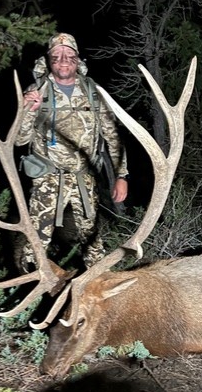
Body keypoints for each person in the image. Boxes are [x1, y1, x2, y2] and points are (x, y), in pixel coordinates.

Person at [15, 32, 129, 271]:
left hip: (83, 177)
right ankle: (32, 284)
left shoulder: (93, 92)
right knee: (36, 241)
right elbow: (19, 139)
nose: (63, 59)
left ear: (77, 59)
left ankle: (98, 284)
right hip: (47, 177)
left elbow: (113, 137)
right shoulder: (36, 91)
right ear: (48, 60)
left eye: (69, 54)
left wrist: (121, 175)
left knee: (92, 241)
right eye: (56, 55)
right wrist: (27, 111)